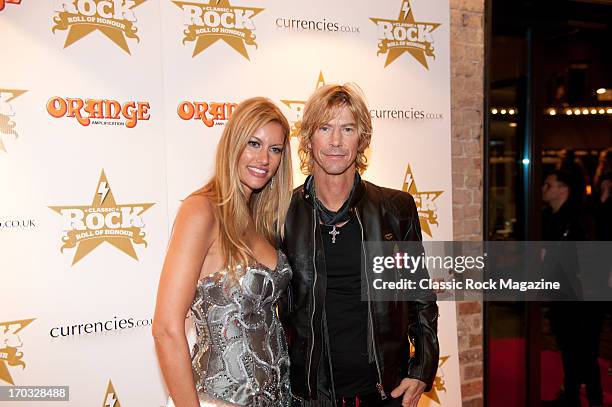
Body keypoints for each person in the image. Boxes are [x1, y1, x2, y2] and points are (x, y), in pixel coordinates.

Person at [280, 84, 439, 407]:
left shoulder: (396, 209)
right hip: (310, 395)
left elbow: (420, 295)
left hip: (384, 392)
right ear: (309, 138)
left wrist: (422, 367)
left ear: (362, 138)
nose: (336, 142)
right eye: (325, 128)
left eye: (347, 129)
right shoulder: (282, 213)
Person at [153, 97, 294, 407]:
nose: (264, 159)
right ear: (233, 145)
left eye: (275, 150)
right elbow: (166, 328)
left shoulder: (260, 219)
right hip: (218, 401)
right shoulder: (202, 211)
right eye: (253, 143)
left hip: (277, 398)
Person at [542, 169, 603, 407]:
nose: (543, 189)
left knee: (584, 353)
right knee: (571, 351)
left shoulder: (580, 219)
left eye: (548, 184)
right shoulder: (553, 218)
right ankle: (572, 395)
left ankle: (589, 399)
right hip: (565, 297)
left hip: (582, 300)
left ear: (563, 189)